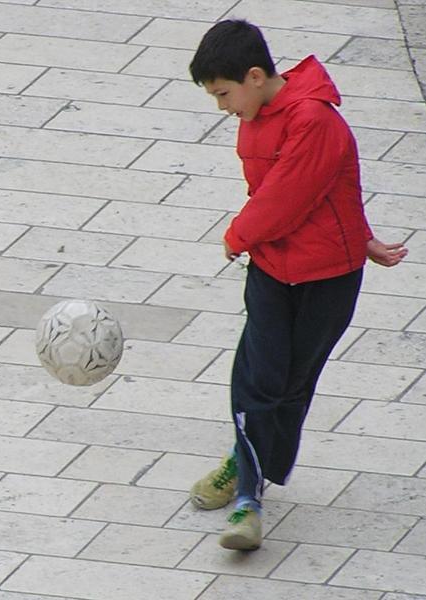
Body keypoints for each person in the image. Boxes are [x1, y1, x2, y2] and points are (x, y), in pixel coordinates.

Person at [188, 19, 408, 551]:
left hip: (326, 280)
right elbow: (327, 187)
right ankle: (248, 500)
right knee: (256, 378)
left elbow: (291, 195)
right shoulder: (256, 115)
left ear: (256, 76)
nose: (222, 107)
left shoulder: (314, 120)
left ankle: (247, 464)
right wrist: (364, 235)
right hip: (271, 270)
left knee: (290, 384)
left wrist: (239, 233)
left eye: (223, 94)